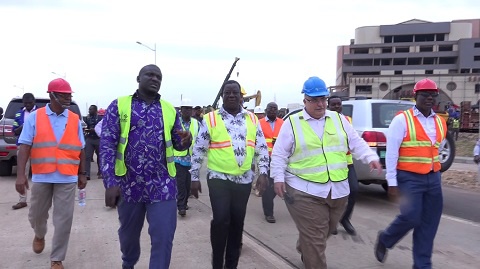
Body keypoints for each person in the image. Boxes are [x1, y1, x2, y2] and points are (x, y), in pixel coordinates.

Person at [271, 76, 382, 269]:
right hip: (303, 190)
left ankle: (305, 244)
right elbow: (280, 153)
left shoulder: (339, 120)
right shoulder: (292, 123)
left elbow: (355, 142)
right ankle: (310, 248)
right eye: (314, 100)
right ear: (305, 100)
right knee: (316, 239)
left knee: (326, 230)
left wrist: (370, 157)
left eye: (323, 99)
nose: (320, 104)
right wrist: (278, 178)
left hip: (338, 189)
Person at [100, 64, 192, 269]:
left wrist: (187, 140)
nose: (155, 79)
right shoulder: (120, 105)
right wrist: (110, 182)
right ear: (138, 78)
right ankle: (128, 263)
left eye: (158, 76)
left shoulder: (169, 109)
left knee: (164, 236)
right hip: (129, 185)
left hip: (162, 185)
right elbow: (107, 145)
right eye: (149, 75)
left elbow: (178, 142)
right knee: (128, 237)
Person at [190, 80, 269, 269]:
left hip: (243, 180)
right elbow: (199, 149)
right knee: (221, 219)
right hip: (219, 178)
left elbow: (261, 148)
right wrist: (193, 177)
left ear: (242, 97)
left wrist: (263, 172)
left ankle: (231, 264)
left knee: (237, 222)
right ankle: (217, 262)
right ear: (223, 96)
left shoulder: (252, 119)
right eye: (227, 93)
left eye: (235, 93)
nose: (231, 95)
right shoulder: (211, 119)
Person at [375, 78, 447, 269]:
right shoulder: (402, 120)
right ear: (416, 96)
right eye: (425, 95)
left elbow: (435, 150)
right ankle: (385, 238)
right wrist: (391, 181)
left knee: (429, 225)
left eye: (433, 95)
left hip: (433, 178)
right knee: (411, 216)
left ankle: (422, 265)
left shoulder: (440, 122)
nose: (429, 98)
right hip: (409, 177)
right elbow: (391, 152)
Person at [15, 78, 87, 269]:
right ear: (52, 95)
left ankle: (57, 259)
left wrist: (83, 173)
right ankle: (39, 234)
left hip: (67, 176)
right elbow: (24, 147)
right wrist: (20, 174)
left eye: (69, 96)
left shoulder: (74, 119)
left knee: (64, 220)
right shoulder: (35, 117)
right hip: (42, 175)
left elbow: (81, 148)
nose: (67, 99)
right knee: (36, 215)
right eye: (64, 95)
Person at [327, 95, 358, 235]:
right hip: (330, 164)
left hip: (347, 162)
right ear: (328, 106)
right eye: (333, 105)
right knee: (332, 194)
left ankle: (344, 219)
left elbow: (353, 139)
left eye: (338, 104)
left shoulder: (347, 120)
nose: (336, 107)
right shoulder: (324, 121)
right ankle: (331, 220)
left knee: (354, 190)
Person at [258, 102, 284, 223]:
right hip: (265, 158)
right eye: (271, 109)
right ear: (266, 110)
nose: (273, 110)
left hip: (280, 158)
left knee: (275, 184)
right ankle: (269, 213)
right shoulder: (260, 123)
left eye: (275, 109)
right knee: (268, 185)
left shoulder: (282, 123)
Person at [12, 93, 37, 210]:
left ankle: (41, 200)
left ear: (34, 101)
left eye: (30, 103)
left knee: (40, 174)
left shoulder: (40, 113)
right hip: (23, 146)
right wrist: (24, 126)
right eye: (25, 103)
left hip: (38, 146)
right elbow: (15, 131)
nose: (28, 105)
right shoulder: (18, 114)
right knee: (22, 173)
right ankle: (22, 200)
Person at [174, 99, 198, 217]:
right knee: (181, 184)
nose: (187, 111)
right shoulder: (176, 122)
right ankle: (181, 206)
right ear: (181, 110)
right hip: (178, 158)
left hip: (191, 159)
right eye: (185, 108)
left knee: (188, 184)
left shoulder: (195, 123)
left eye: (189, 108)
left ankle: (184, 203)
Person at [84, 105, 102, 180]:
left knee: (100, 157)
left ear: (95, 110)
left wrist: (95, 130)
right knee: (87, 156)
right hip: (89, 138)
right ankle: (87, 174)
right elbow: (85, 126)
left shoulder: (100, 118)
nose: (89, 111)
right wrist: (87, 129)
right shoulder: (86, 118)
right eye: (89, 109)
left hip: (98, 139)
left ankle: (101, 172)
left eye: (91, 109)